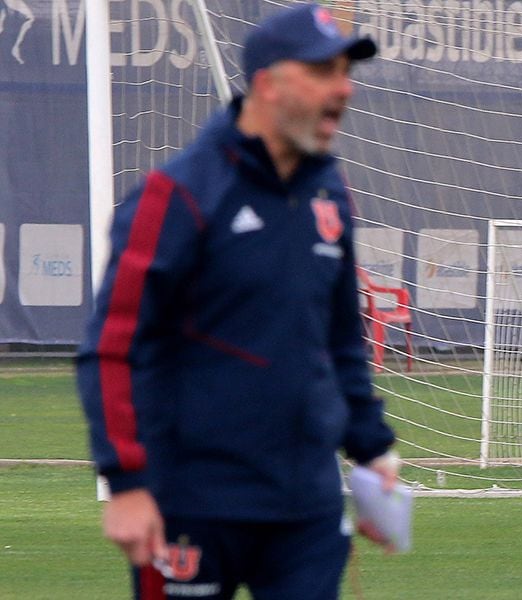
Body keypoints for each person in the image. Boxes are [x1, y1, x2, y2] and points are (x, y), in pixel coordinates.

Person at [76, 4, 398, 598]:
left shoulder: (329, 192)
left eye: (346, 73)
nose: (344, 89)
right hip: (189, 502)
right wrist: (125, 483)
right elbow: (113, 349)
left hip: (306, 504)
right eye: (323, 72)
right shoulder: (175, 196)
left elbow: (339, 339)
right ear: (269, 84)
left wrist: (373, 448)